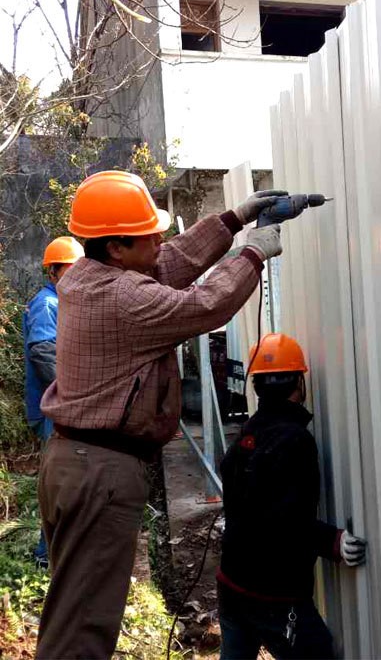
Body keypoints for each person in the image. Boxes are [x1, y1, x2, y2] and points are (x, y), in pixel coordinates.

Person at [35, 170, 285, 660]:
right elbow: (206, 305)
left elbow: (170, 261)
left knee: (71, 609)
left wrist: (234, 219)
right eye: (148, 232)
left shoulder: (88, 276)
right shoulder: (124, 297)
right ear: (116, 249)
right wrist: (253, 253)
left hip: (75, 462)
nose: (159, 238)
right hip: (100, 474)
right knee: (84, 628)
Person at [218, 333, 367, 660]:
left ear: (255, 386)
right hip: (272, 595)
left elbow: (248, 503)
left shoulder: (250, 433)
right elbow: (281, 521)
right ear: (299, 383)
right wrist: (332, 540)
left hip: (231, 583)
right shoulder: (294, 440)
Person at [22, 236, 84, 568]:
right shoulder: (48, 305)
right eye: (69, 271)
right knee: (61, 484)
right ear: (54, 272)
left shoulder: (60, 302)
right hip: (54, 408)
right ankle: (46, 557)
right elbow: (42, 353)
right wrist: (72, 394)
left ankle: (54, 554)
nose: (75, 277)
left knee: (65, 481)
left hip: (56, 404)